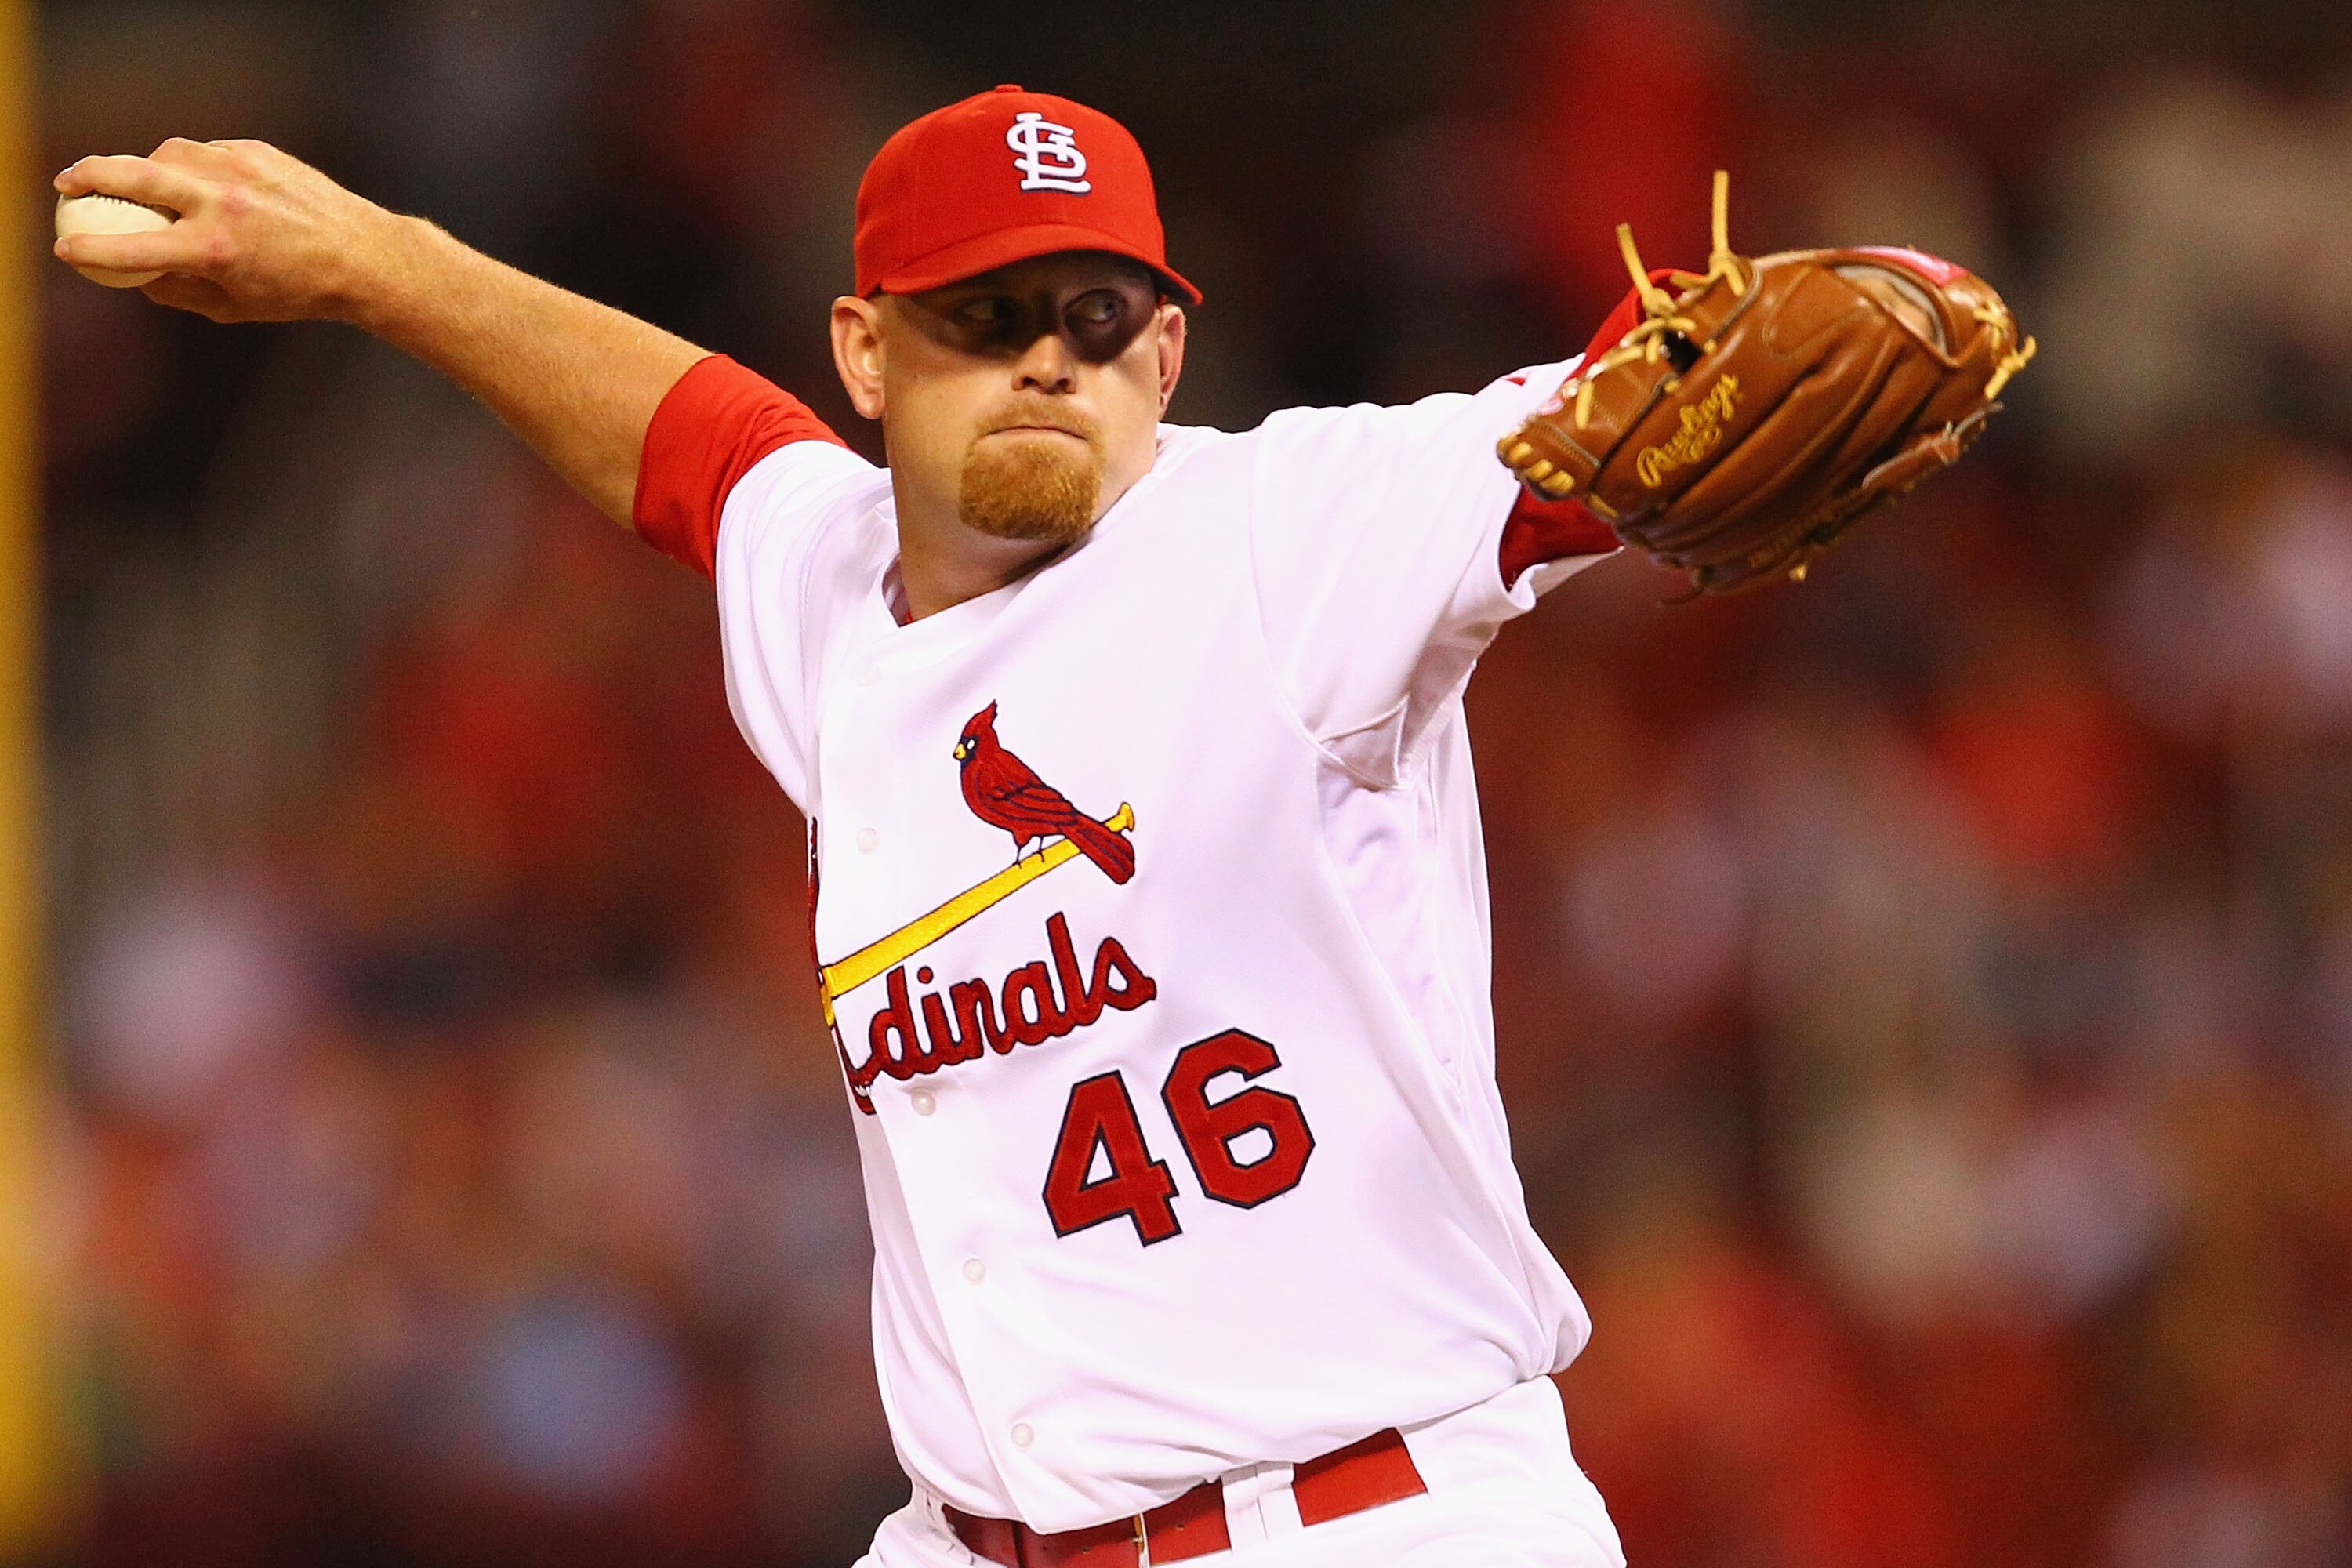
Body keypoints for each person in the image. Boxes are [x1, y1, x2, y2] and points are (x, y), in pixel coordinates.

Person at [58, 85, 1640, 1567]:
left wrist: (1890, 301)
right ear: (867, 354)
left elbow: (1598, 427)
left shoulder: (1289, 534)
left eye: (1095, 320)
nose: (1045, 362)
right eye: (984, 316)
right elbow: (698, 445)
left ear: (1165, 357)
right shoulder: (832, 591)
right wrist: (374, 268)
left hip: (1372, 1518)